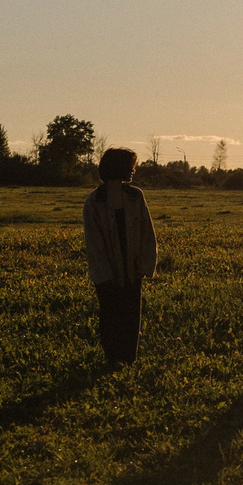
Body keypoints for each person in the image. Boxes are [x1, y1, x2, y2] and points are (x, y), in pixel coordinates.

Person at [81, 146, 157, 363]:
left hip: (132, 268)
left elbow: (147, 232)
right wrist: (105, 274)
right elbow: (93, 242)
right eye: (131, 166)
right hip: (107, 273)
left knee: (131, 315)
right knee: (110, 314)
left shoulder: (135, 196)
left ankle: (128, 358)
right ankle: (113, 358)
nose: (133, 171)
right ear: (120, 168)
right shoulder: (94, 201)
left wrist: (144, 265)